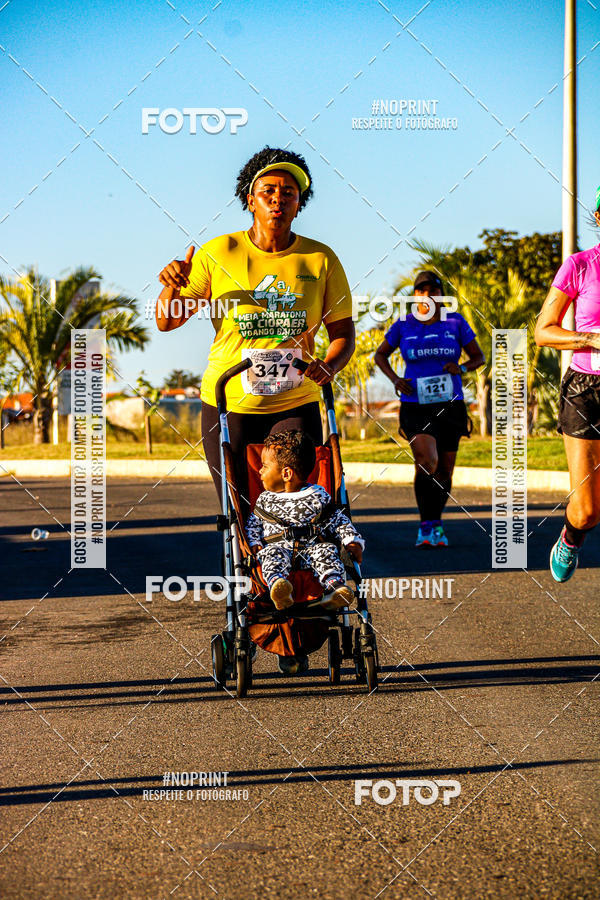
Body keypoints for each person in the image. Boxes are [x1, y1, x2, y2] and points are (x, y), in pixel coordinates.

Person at [156, 146, 355, 509]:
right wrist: (171, 283)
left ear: (300, 203)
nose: (278, 199)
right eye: (268, 191)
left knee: (298, 506)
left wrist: (330, 363)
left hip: (296, 398)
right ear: (251, 200)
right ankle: (244, 566)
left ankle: (292, 565)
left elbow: (343, 333)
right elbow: (168, 321)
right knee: (238, 513)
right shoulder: (218, 253)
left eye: (289, 193)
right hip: (229, 400)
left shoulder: (320, 258)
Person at [374, 270, 485, 547]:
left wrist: (459, 367)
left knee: (445, 471)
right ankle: (426, 526)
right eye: (421, 291)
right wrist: (396, 379)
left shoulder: (455, 322)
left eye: (433, 290)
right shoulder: (403, 325)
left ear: (441, 294)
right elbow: (380, 354)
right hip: (416, 404)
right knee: (427, 462)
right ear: (415, 296)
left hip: (450, 404)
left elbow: (478, 357)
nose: (427, 295)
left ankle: (435, 523)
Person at [535, 186, 600, 582]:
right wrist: (592, 338)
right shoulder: (580, 265)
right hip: (586, 390)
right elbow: (544, 331)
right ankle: (571, 537)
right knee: (588, 510)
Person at [245, 430, 364, 611]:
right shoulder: (265, 500)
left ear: (286, 474)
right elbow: (254, 523)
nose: (259, 471)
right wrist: (253, 542)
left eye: (264, 466)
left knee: (327, 552)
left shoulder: (318, 496)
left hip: (312, 550)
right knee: (270, 555)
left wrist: (351, 541)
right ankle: (279, 587)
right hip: (279, 549)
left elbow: (338, 520)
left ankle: (335, 587)